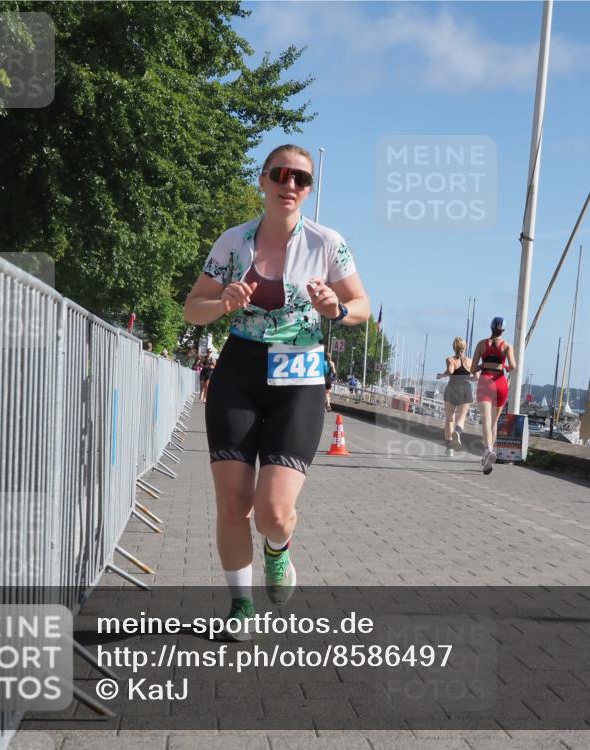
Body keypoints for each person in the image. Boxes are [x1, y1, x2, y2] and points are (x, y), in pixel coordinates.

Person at [183, 143, 369, 639]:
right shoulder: (233, 242)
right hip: (239, 369)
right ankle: (240, 604)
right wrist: (222, 302)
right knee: (233, 505)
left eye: (301, 179)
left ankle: (278, 551)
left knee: (273, 512)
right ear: (263, 181)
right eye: (280, 175)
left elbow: (362, 306)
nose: (290, 185)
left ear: (308, 190)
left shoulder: (328, 243)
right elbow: (192, 308)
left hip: (300, 376)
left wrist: (336, 308)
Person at [471, 317, 517, 475]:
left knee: (486, 421)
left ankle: (488, 450)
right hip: (501, 383)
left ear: (491, 327)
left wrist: (484, 364)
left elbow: (472, 369)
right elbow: (513, 366)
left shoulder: (481, 344)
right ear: (503, 330)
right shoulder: (507, 346)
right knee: (494, 422)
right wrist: (504, 366)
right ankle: (489, 455)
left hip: (485, 381)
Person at [436, 336, 476, 456]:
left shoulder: (450, 360)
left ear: (454, 347)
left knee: (450, 418)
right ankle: (458, 431)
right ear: (464, 347)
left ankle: (449, 449)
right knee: (461, 418)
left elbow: (450, 371)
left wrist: (441, 376)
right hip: (466, 389)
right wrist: (467, 377)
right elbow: (477, 377)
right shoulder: (470, 361)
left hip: (452, 389)